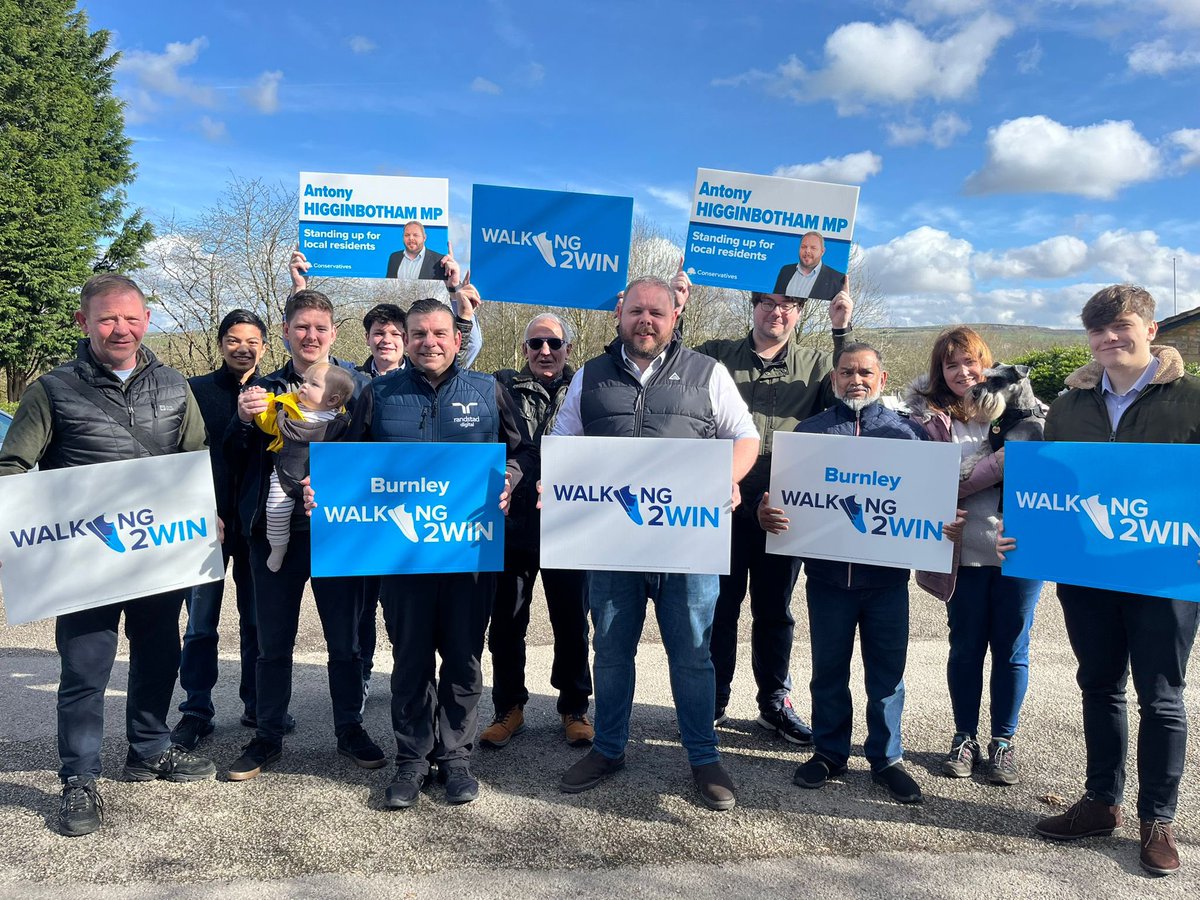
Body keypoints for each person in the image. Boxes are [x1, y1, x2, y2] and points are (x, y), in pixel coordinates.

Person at [0, 274, 217, 836]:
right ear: (84, 323)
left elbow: (196, 456)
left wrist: (207, 508)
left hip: (158, 556)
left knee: (157, 655)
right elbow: (13, 469)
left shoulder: (173, 385)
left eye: (131, 317)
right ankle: (79, 778)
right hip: (84, 563)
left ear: (147, 321)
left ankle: (149, 750)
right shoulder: (51, 390)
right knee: (85, 670)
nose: (120, 329)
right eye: (106, 318)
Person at [997, 285, 1200, 877]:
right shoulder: (1067, 407)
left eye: (1122, 326)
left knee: (1161, 697)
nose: (1110, 338)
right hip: (1088, 573)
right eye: (1099, 330)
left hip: (1163, 571)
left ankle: (1157, 820)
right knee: (1099, 685)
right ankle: (1099, 803)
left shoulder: (1191, 398)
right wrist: (1025, 534)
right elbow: (1049, 490)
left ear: (1151, 329)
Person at [551, 276, 760, 812]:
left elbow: (745, 437)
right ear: (620, 315)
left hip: (687, 542)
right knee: (613, 652)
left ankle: (703, 757)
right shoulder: (589, 377)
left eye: (656, 313)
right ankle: (608, 748)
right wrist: (554, 489)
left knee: (693, 655)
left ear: (674, 317)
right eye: (636, 311)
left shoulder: (707, 373)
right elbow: (563, 441)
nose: (646, 320)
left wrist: (728, 478)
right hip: (612, 542)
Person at [349, 297, 532, 809]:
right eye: (418, 334)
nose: (429, 342)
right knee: (409, 659)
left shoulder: (489, 390)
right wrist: (325, 487)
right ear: (405, 340)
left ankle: (454, 758)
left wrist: (511, 479)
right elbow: (348, 459)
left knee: (463, 657)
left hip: (469, 553)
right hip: (402, 553)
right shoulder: (379, 393)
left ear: (457, 339)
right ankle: (411, 758)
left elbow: (523, 451)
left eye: (439, 333)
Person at [223, 283, 385, 781]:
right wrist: (240, 421)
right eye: (301, 327)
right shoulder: (262, 389)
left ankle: (349, 729)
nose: (310, 336)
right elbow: (230, 457)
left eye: (320, 327)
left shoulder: (358, 388)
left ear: (333, 332)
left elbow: (378, 455)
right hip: (272, 535)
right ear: (287, 333)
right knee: (271, 641)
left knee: (346, 642)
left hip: (339, 534)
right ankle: (267, 733)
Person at [759, 343, 929, 804]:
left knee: (887, 676)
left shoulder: (909, 436)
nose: (857, 379)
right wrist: (765, 513)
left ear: (883, 378)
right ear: (834, 380)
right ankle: (830, 752)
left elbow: (926, 506)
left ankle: (886, 759)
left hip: (887, 582)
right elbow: (780, 502)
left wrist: (945, 525)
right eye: (847, 372)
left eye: (866, 372)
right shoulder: (808, 434)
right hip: (829, 580)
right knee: (827, 671)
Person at [694, 287, 853, 742]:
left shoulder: (820, 364)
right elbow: (674, 367)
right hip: (723, 504)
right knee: (719, 609)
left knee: (774, 612)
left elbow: (850, 395)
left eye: (789, 305)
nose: (777, 311)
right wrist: (679, 309)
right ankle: (714, 699)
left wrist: (841, 331)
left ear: (801, 313)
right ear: (754, 307)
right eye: (768, 302)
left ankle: (773, 702)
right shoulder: (717, 355)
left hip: (784, 510)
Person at [904, 327, 1042, 786]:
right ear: (938, 372)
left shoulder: (1024, 411)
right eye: (950, 364)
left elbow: (1038, 466)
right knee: (965, 648)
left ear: (987, 364)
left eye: (970, 362)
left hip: (1018, 550)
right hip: (960, 553)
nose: (962, 372)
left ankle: (1003, 740)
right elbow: (920, 483)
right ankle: (964, 737)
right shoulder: (929, 420)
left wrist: (965, 480)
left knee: (1012, 648)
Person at [481, 313, 593, 750]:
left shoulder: (588, 387)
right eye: (536, 343)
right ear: (524, 349)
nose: (545, 351)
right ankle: (509, 707)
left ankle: (574, 706)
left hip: (570, 524)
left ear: (569, 347)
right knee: (506, 623)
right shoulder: (498, 387)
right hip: (514, 527)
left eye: (554, 343)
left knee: (572, 624)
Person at [171, 310, 268, 752]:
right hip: (205, 525)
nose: (242, 347)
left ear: (265, 346)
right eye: (233, 339)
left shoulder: (278, 393)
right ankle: (196, 709)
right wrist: (197, 508)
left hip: (256, 526)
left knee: (257, 622)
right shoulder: (194, 391)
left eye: (251, 340)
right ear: (220, 343)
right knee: (200, 624)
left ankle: (256, 702)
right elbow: (180, 456)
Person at [252, 362, 356, 572]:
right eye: (304, 381)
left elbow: (346, 455)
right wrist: (260, 406)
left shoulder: (341, 422)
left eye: (313, 384)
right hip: (284, 475)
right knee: (275, 509)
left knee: (332, 515)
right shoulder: (287, 409)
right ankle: (278, 547)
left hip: (320, 482)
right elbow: (268, 423)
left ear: (333, 399)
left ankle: (334, 549)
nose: (304, 386)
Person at [773, 231, 846, 302]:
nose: (807, 251)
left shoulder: (838, 280)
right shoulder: (785, 270)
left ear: (822, 251)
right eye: (803, 247)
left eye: (813, 248)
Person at [385, 221, 453, 280]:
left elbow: (449, 288)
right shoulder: (394, 257)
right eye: (407, 235)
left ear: (424, 238)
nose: (411, 238)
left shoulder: (440, 261)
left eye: (415, 235)